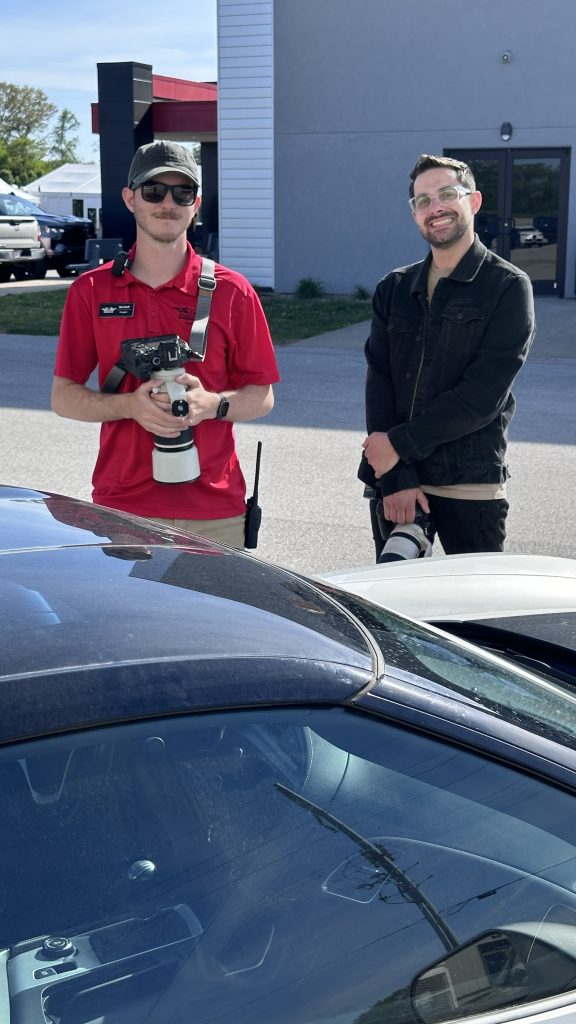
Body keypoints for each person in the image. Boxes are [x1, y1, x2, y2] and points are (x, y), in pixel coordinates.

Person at [52, 140, 280, 549]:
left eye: (182, 192)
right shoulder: (91, 290)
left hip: (216, 510)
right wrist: (128, 406)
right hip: (123, 509)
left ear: (197, 203)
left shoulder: (233, 291)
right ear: (130, 198)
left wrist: (212, 404)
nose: (167, 203)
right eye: (154, 191)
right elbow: (63, 397)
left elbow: (262, 397)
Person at [359, 153, 535, 560]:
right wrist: (397, 473)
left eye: (446, 194)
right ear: (415, 215)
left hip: (469, 483)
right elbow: (379, 382)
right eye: (422, 201)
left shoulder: (507, 286)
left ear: (473, 202)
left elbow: (482, 396)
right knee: (396, 609)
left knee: (472, 614)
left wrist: (398, 445)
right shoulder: (395, 288)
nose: (434, 207)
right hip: (400, 479)